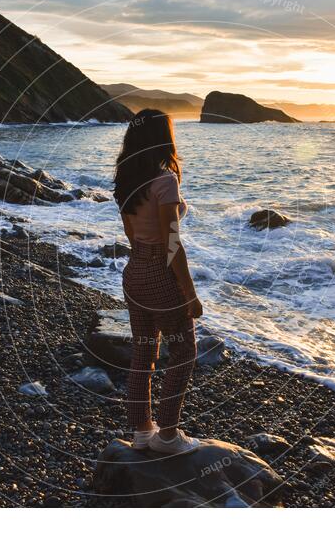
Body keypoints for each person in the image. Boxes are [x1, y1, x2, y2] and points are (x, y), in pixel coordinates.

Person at [112, 109, 203, 454]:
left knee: (143, 352)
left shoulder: (126, 180)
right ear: (162, 138)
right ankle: (167, 436)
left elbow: (132, 234)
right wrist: (190, 295)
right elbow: (171, 243)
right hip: (159, 275)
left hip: (134, 271)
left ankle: (141, 432)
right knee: (183, 351)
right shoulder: (165, 181)